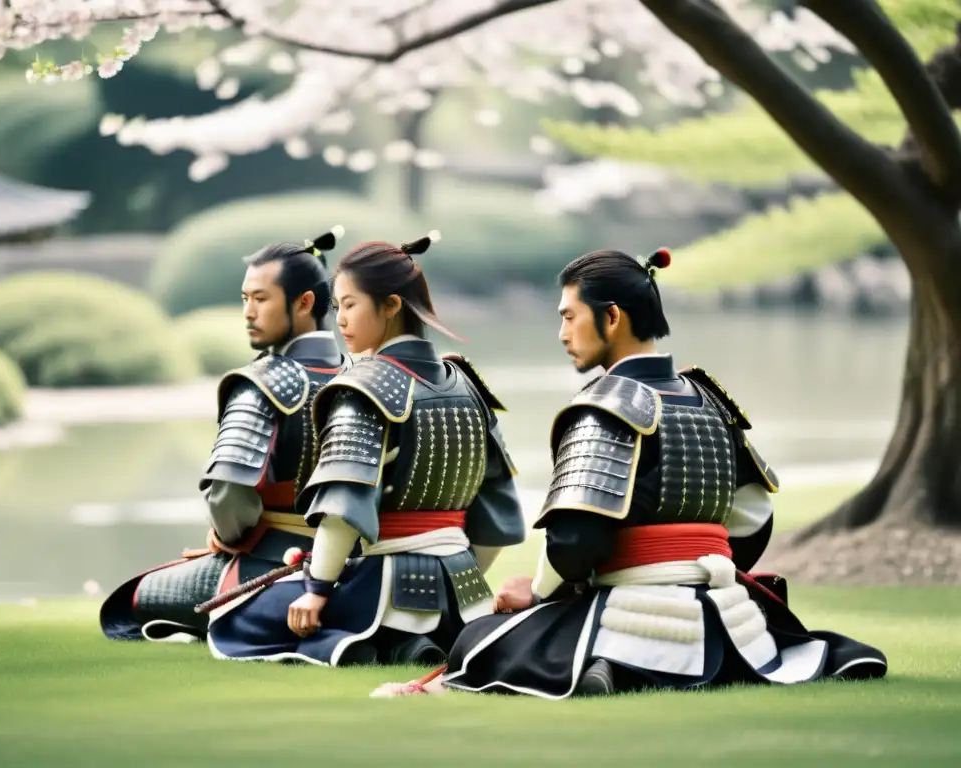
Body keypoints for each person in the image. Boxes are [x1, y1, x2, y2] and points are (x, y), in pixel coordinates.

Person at [430, 247, 888, 698]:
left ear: (611, 318)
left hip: (628, 606)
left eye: (570, 317)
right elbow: (753, 518)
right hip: (723, 612)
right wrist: (692, 568)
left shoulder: (604, 405)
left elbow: (575, 541)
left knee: (479, 643)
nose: (562, 332)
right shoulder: (709, 398)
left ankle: (617, 664)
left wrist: (537, 590)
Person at [206, 231, 527, 666]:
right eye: (336, 307)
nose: (339, 320)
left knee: (246, 614)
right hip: (464, 587)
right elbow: (500, 518)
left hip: (385, 582)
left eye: (350, 305)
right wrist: (460, 578)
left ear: (391, 306)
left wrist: (317, 590)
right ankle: (423, 637)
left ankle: (394, 643)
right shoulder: (468, 384)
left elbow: (343, 509)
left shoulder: (362, 387)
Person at [100, 226, 353, 643]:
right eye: (244, 299)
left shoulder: (262, 383)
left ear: (305, 302)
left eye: (260, 298)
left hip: (270, 563)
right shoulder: (362, 377)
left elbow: (229, 497)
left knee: (126, 606)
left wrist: (227, 537)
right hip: (358, 567)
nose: (248, 312)